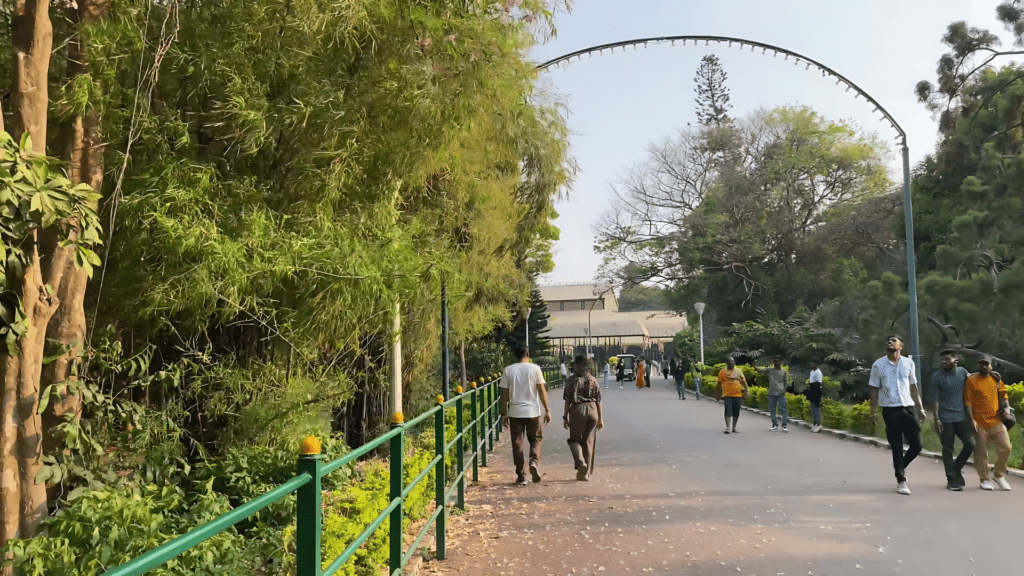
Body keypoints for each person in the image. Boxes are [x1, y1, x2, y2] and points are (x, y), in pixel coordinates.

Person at [868, 335, 927, 496]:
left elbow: (913, 387)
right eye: (888, 340)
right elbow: (874, 388)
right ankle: (901, 480)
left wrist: (920, 408)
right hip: (889, 409)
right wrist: (872, 412)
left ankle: (899, 466)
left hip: (908, 407)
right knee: (896, 445)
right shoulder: (878, 365)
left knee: (917, 445)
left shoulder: (909, 363)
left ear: (901, 345)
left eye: (894, 340)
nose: (889, 342)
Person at [499, 346, 552, 485]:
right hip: (532, 412)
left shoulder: (508, 370)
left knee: (517, 443)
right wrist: (547, 410)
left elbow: (504, 394)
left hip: (515, 412)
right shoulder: (535, 369)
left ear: (515, 355)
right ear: (528, 354)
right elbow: (541, 390)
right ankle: (533, 461)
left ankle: (521, 475)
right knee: (536, 438)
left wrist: (504, 413)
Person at [924, 350, 974, 491]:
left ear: (956, 360)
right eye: (943, 359)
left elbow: (974, 382)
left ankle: (955, 469)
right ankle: (952, 480)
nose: (944, 361)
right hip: (945, 417)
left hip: (962, 416)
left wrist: (992, 374)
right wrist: (935, 418)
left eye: (948, 358)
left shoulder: (963, 372)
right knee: (948, 448)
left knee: (970, 443)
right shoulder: (937, 376)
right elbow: (934, 399)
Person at [964, 356, 1013, 491]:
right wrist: (971, 419)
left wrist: (1007, 408)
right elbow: (968, 401)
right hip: (979, 423)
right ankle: (984, 479)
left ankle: (998, 475)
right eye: (981, 364)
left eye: (986, 364)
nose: (984, 367)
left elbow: (1004, 394)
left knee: (1006, 447)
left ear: (991, 366)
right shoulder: (971, 380)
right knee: (981, 452)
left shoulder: (996, 379)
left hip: (996, 421)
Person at [563, 355, 604, 481]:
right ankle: (585, 474)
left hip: (577, 409)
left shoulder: (571, 380)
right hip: (592, 410)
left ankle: (581, 462)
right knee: (588, 442)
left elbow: (567, 400)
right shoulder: (593, 380)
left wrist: (565, 417)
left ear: (576, 365)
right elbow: (598, 401)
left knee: (574, 440)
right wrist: (600, 418)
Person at [717, 357, 748, 434]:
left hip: (737, 394)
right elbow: (719, 383)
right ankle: (727, 427)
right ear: (727, 363)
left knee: (736, 412)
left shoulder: (738, 371)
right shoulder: (722, 372)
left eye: (732, 361)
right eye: (729, 362)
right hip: (727, 394)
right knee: (728, 410)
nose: (731, 363)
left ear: (734, 362)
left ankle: (734, 427)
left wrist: (746, 390)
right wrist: (717, 393)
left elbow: (744, 382)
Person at [760, 357, 789, 432]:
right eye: (774, 362)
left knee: (783, 409)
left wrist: (784, 390)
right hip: (772, 392)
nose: (775, 363)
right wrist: (753, 365)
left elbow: (786, 382)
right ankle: (774, 424)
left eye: (777, 362)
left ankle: (784, 425)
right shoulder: (770, 370)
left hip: (780, 392)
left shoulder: (784, 372)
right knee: (772, 409)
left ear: (780, 363)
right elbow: (761, 371)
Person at [806, 358, 824, 433]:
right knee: (812, 407)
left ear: (816, 364)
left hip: (816, 390)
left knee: (817, 408)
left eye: (812, 363)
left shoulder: (818, 372)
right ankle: (814, 423)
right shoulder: (812, 372)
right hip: (812, 390)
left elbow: (818, 383)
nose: (811, 364)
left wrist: (813, 390)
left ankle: (818, 424)